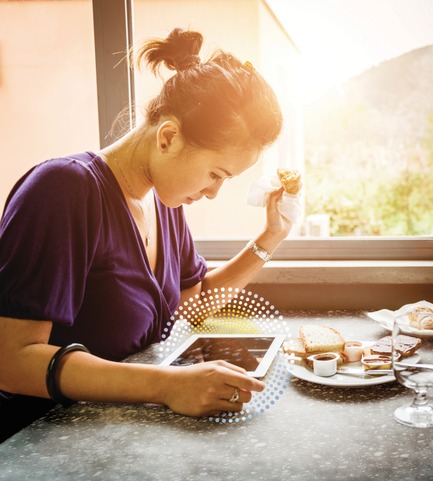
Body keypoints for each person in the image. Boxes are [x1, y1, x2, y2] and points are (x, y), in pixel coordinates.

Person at [0, 28, 291, 441]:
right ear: (168, 137)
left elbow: (191, 307)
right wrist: (167, 386)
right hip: (35, 444)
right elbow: (11, 361)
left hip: (112, 432)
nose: (213, 192)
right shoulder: (62, 190)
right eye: (215, 174)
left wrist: (270, 237)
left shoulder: (164, 203)